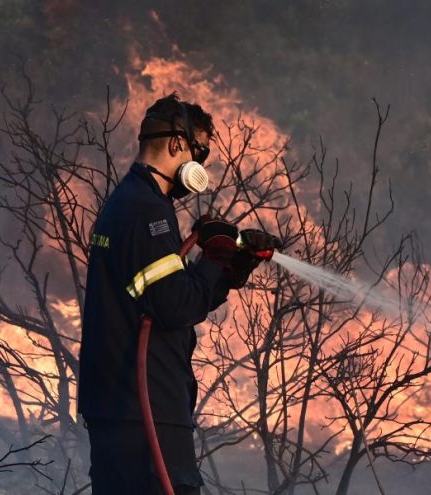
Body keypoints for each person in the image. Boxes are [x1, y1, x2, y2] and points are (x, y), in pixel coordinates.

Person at [77, 93, 281, 494]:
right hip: (147, 405)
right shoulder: (149, 210)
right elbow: (174, 305)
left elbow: (168, 295)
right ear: (176, 145)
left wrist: (229, 267)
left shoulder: (126, 202)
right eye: (200, 151)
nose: (201, 164)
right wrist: (215, 256)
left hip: (118, 406)